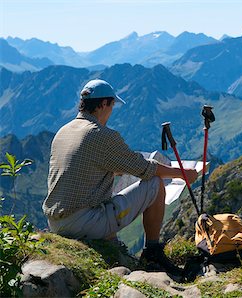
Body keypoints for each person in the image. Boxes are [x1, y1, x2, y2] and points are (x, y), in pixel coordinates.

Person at [42, 79, 197, 275]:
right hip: (83, 223)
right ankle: (153, 253)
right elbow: (145, 169)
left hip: (56, 222)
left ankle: (114, 246)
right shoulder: (100, 134)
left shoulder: (64, 131)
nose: (112, 111)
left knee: (111, 194)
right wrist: (183, 174)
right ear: (104, 104)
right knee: (155, 184)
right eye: (112, 105)